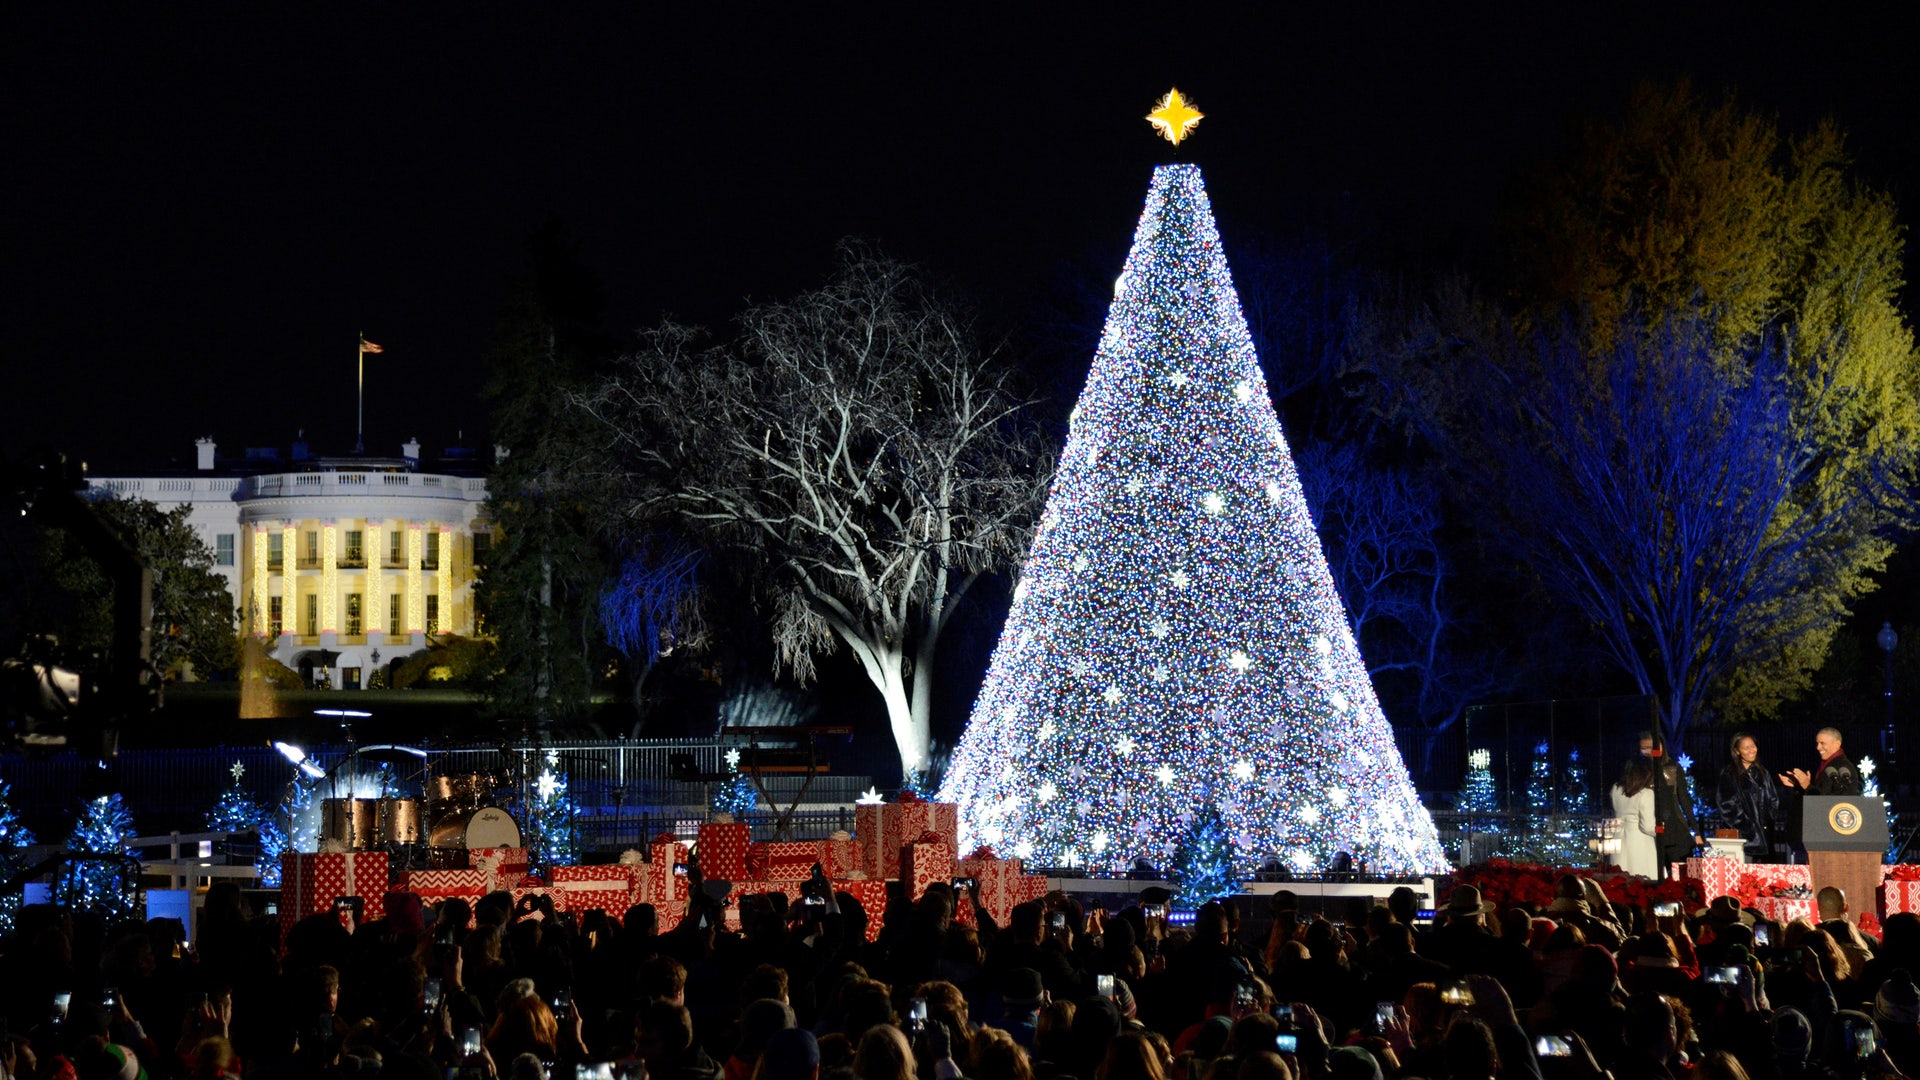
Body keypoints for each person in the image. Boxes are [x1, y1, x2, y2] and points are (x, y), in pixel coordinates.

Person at [1640, 731, 1703, 874]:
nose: (1652, 750)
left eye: (1655, 745)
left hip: (1675, 828)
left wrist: (1696, 831)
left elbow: (1684, 800)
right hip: (1650, 829)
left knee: (1680, 873)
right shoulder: (1640, 771)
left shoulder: (1673, 768)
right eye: (1646, 747)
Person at [1716, 732, 1781, 859]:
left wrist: (1770, 817)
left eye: (1753, 746)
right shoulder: (1730, 774)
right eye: (1746, 748)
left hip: (1766, 837)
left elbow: (1773, 798)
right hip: (1745, 841)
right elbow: (1727, 806)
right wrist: (1748, 827)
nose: (1752, 750)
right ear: (1737, 751)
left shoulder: (1762, 772)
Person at [1778, 727, 1864, 796]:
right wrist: (1799, 786)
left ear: (1837, 744)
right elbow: (1820, 794)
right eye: (1817, 743)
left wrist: (1807, 786)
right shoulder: (1827, 764)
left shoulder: (1843, 768)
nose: (1818, 747)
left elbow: (1833, 801)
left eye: (1822, 743)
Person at [1612, 756, 1660, 880]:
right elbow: (1648, 826)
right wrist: (1662, 829)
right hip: (1640, 844)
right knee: (1643, 880)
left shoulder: (1616, 790)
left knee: (1621, 880)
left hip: (1619, 841)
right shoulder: (1646, 794)